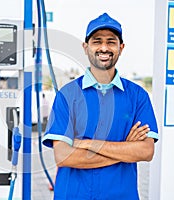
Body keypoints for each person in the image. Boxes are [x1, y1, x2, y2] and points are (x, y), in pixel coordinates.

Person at [42, 12, 158, 200]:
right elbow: (63, 156)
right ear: (85, 47)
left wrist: (88, 144)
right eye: (97, 41)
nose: (104, 47)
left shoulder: (138, 96)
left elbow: (145, 151)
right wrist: (126, 149)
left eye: (111, 41)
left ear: (121, 47)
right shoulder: (67, 95)